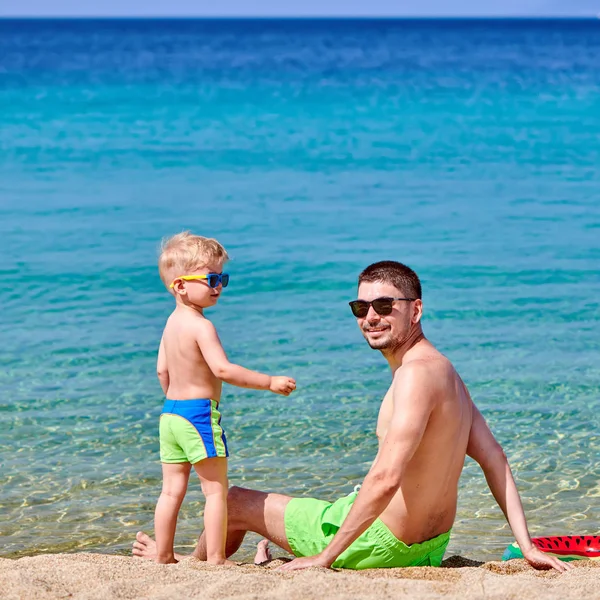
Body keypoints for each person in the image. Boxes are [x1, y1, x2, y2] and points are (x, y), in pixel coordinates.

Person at [134, 260, 569, 572]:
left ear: (415, 310)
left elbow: (387, 478)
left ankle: (184, 566)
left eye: (384, 306)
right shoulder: (446, 373)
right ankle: (260, 549)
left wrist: (325, 557)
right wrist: (526, 545)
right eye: (362, 309)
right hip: (430, 548)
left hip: (380, 546)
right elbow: (495, 459)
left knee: (232, 501)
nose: (371, 318)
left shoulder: (414, 378)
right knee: (320, 506)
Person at [150, 232, 296, 565]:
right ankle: (215, 557)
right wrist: (269, 382)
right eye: (212, 278)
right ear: (180, 286)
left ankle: (163, 555)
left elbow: (162, 371)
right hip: (197, 415)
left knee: (171, 491)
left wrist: (175, 400)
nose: (218, 286)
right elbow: (223, 370)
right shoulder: (202, 327)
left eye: (222, 278)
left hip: (169, 415)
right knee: (215, 491)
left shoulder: (170, 324)